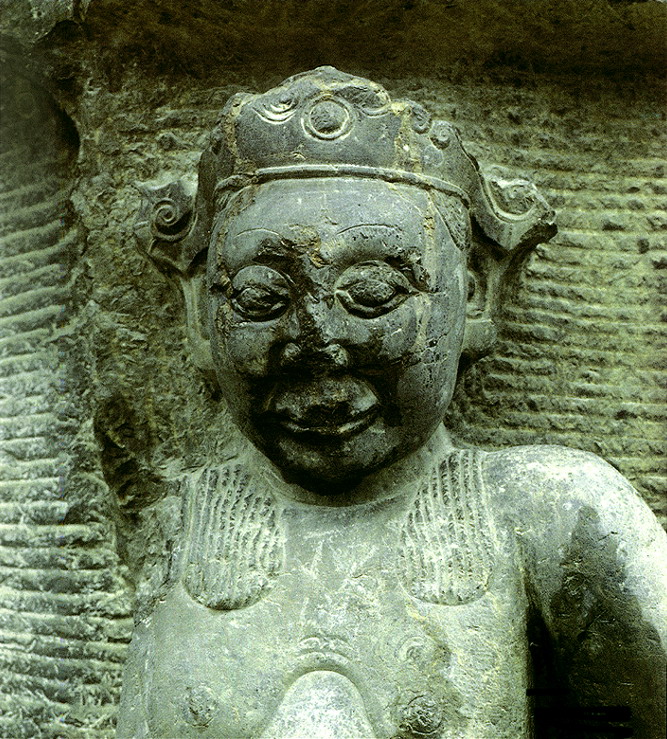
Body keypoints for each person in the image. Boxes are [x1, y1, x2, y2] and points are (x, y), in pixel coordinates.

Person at [119, 67, 667, 739]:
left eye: (372, 294)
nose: (316, 342)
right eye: (261, 298)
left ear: (475, 297)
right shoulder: (169, 523)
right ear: (201, 315)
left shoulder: (551, 512)